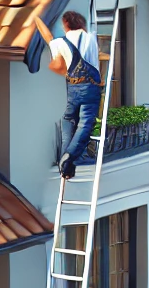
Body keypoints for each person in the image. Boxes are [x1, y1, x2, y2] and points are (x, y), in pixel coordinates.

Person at [36, 11, 104, 179]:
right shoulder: (91, 39)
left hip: (73, 87)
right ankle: (69, 157)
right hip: (91, 87)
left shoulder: (60, 42)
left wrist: (36, 18)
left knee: (68, 120)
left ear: (66, 23)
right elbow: (96, 57)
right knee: (85, 124)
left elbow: (48, 37)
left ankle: (66, 164)